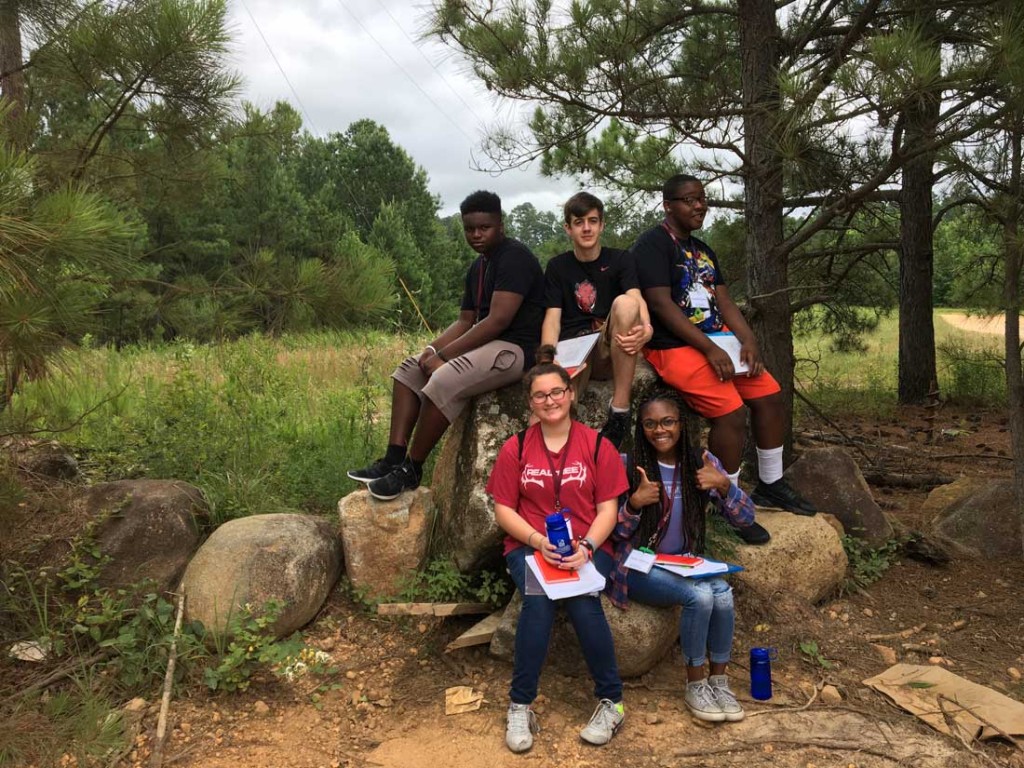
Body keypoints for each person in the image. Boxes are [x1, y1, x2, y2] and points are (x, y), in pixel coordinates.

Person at [632, 174, 816, 515]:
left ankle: (771, 485)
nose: (699, 205)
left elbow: (726, 303)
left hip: (717, 341)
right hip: (673, 345)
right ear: (668, 205)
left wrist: (748, 340)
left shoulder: (703, 250)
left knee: (769, 396)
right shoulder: (652, 246)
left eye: (702, 198)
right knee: (731, 413)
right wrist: (709, 349)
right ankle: (723, 500)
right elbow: (660, 304)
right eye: (689, 200)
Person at [348, 190, 545, 501]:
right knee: (410, 370)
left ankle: (412, 469)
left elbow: (498, 320)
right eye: (470, 229)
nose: (476, 235)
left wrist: (444, 357)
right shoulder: (478, 268)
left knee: (444, 377)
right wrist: (431, 349)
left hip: (514, 349)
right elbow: (466, 320)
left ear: (500, 225)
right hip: (486, 343)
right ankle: (394, 458)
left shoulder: (515, 258)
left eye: (485, 227)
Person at [486, 352, 627, 753]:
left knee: (583, 599)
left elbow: (608, 511)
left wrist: (586, 547)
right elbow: (503, 509)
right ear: (530, 402)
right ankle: (520, 704)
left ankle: (612, 702)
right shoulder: (515, 447)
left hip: (587, 546)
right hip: (529, 545)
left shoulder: (597, 444)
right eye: (540, 395)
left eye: (557, 392)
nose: (550, 401)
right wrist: (536, 542)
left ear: (570, 394)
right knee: (538, 599)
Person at [609, 392, 753, 723]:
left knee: (724, 594)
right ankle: (696, 683)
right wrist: (633, 503)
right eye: (650, 423)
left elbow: (746, 520)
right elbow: (611, 533)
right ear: (641, 428)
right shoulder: (628, 465)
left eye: (667, 421)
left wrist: (724, 486)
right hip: (637, 565)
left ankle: (719, 680)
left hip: (684, 562)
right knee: (699, 596)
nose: (659, 430)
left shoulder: (700, 462)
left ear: (681, 424)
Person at [538, 192, 652, 448]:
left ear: (602, 225)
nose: (586, 228)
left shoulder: (621, 259)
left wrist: (647, 328)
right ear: (568, 228)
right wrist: (547, 357)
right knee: (553, 399)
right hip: (575, 350)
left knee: (625, 303)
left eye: (592, 221)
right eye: (579, 222)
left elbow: (636, 297)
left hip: (609, 346)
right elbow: (552, 318)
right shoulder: (558, 266)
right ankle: (554, 460)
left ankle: (620, 410)